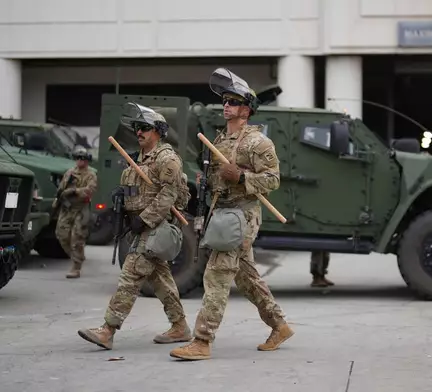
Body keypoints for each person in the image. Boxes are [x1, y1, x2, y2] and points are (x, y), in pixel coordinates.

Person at [170, 68, 292, 361]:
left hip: (242, 216)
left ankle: (201, 340)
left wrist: (241, 178)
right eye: (225, 100)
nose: (227, 105)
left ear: (246, 110)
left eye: (233, 102)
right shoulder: (220, 140)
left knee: (216, 275)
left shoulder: (258, 142)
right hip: (222, 214)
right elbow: (217, 178)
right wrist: (207, 180)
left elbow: (273, 179)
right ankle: (279, 325)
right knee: (247, 279)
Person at [77, 103, 191, 350]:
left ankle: (107, 330)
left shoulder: (167, 159)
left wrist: (144, 219)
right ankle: (180, 327)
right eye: (137, 128)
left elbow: (168, 195)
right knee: (160, 279)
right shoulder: (137, 159)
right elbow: (138, 193)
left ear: (158, 131)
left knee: (130, 275)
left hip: (156, 227)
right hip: (140, 227)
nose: (139, 132)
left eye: (145, 128)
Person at [54, 145, 97, 278]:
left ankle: (76, 266)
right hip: (67, 208)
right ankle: (76, 256)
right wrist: (59, 199)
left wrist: (74, 191)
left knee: (77, 238)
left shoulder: (90, 174)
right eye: (78, 158)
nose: (80, 161)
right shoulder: (69, 172)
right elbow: (61, 189)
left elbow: (89, 191)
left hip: (80, 208)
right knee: (61, 235)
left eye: (83, 158)